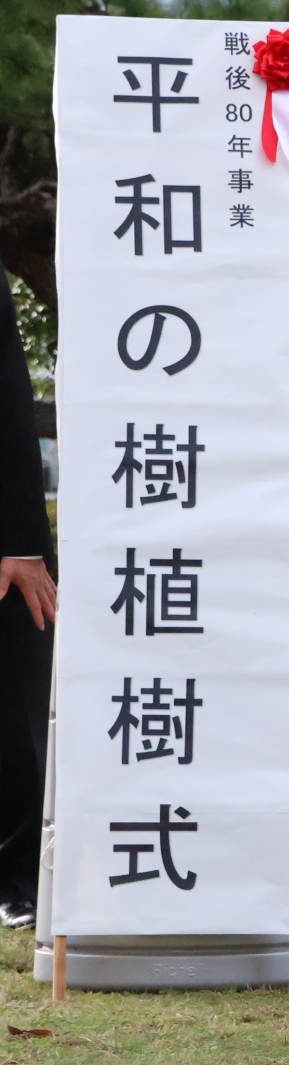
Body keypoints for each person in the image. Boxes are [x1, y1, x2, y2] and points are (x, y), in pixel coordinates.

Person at [0, 264, 56, 933]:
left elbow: (9, 395)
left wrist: (20, 539)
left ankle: (20, 877)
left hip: (5, 551)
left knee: (14, 716)